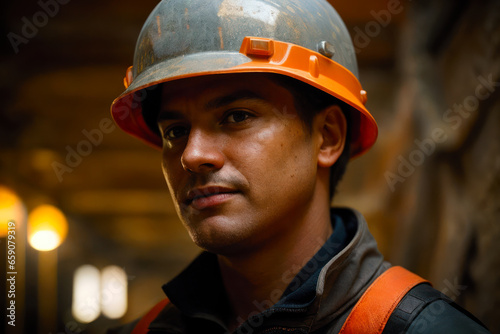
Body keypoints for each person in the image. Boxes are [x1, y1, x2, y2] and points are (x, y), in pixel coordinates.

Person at [108, 0, 490, 333]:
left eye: (236, 116)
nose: (191, 155)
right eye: (175, 130)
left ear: (327, 137)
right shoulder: (146, 330)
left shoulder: (421, 326)